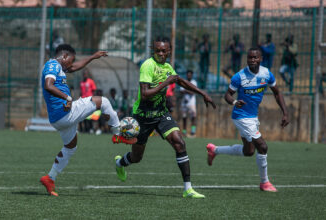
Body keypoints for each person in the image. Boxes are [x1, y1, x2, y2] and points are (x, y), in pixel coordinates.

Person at [114, 36, 216, 199]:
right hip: (142, 117)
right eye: (157, 51)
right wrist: (166, 82)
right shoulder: (148, 65)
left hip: (161, 113)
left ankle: (188, 189)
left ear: (169, 51)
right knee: (137, 157)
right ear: (153, 50)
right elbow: (146, 94)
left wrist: (203, 93)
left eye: (164, 51)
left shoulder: (168, 67)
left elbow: (180, 81)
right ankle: (120, 163)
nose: (160, 54)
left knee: (179, 143)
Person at [39, 44, 136, 196]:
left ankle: (50, 178)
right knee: (103, 101)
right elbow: (48, 85)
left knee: (70, 147)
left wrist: (92, 57)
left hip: (58, 119)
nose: (72, 64)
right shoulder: (52, 65)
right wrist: (67, 97)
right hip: (66, 113)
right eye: (71, 60)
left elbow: (73, 67)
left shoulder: (60, 66)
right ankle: (118, 133)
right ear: (64, 56)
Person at [207, 47, 289, 192]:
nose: (252, 60)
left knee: (249, 151)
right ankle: (265, 183)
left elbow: (277, 93)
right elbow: (227, 95)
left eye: (255, 57)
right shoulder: (239, 76)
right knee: (262, 146)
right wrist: (234, 102)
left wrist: (285, 113)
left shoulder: (266, 74)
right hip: (241, 117)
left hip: (252, 117)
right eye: (249, 58)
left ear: (260, 59)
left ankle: (215, 150)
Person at [180, 70, 197, 137]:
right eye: (188, 74)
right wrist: (189, 90)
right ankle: (184, 132)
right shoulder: (184, 81)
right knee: (184, 117)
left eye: (190, 74)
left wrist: (185, 90)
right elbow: (181, 91)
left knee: (193, 117)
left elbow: (193, 92)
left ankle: (193, 132)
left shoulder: (194, 82)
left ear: (192, 75)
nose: (188, 75)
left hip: (191, 103)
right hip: (184, 102)